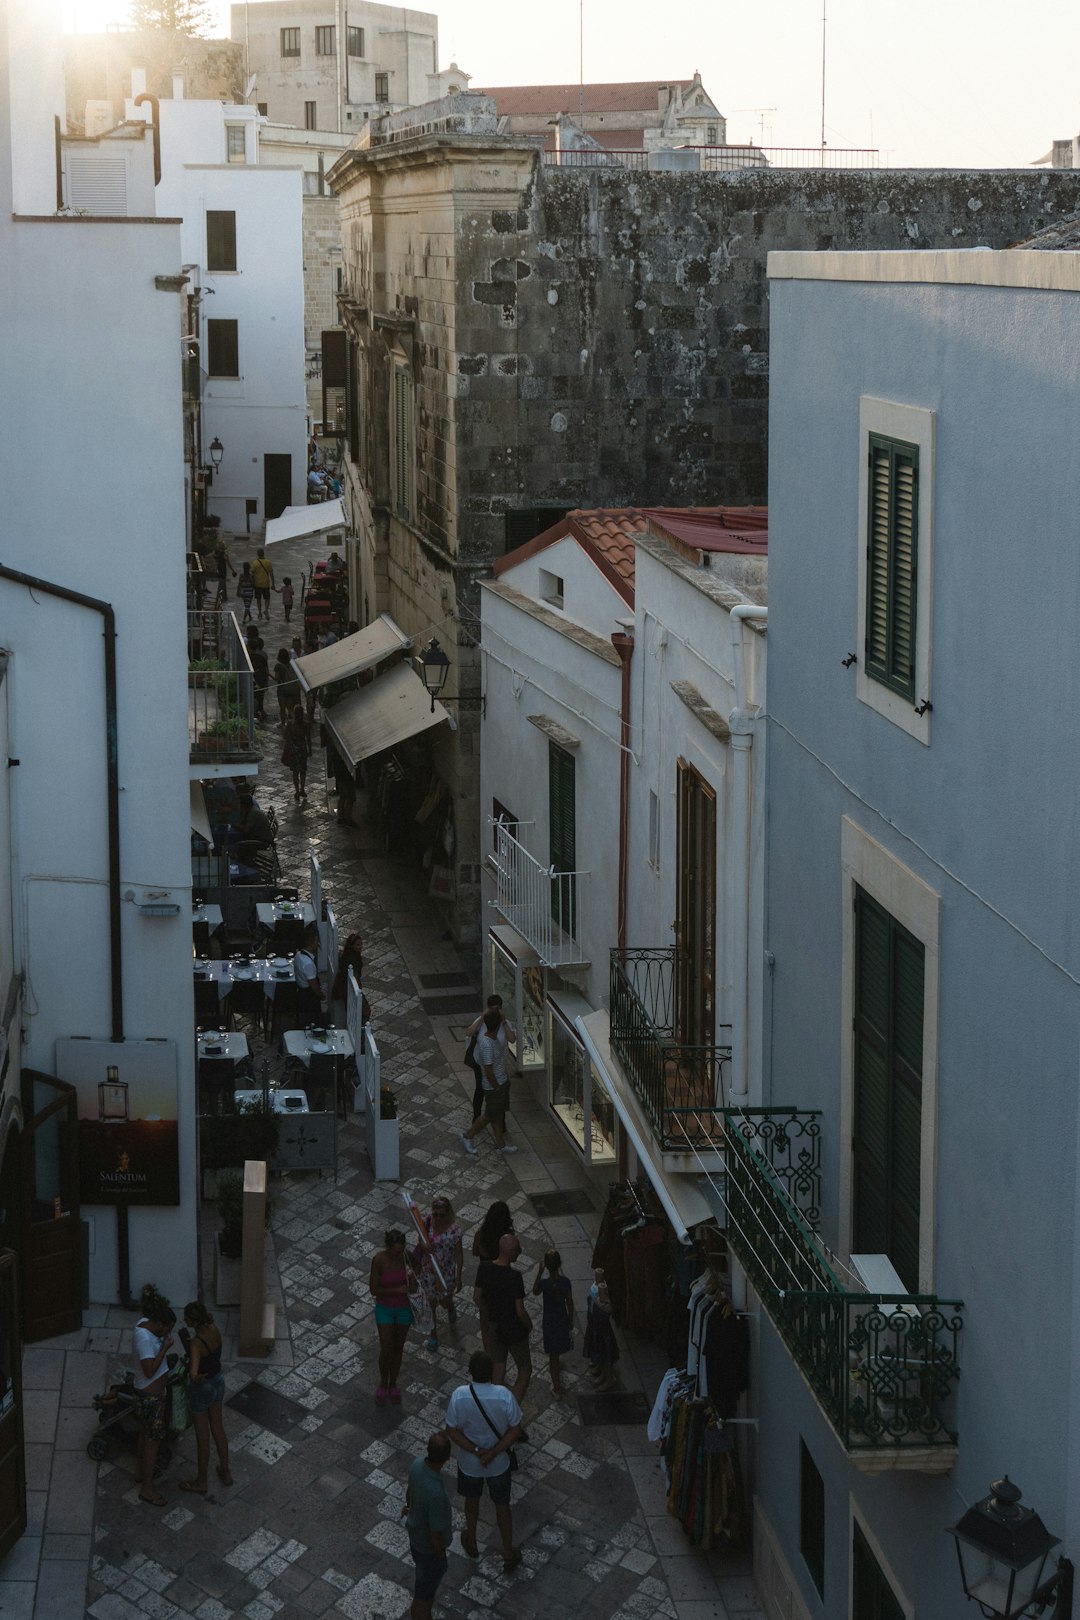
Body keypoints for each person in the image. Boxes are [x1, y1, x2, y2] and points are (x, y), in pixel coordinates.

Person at [444, 1350, 523, 1576]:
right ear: (491, 1372)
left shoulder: (460, 1396)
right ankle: (508, 1551)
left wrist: (477, 1451)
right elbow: (515, 1429)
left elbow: (451, 1430)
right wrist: (493, 1452)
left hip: (470, 1463)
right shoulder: (504, 1396)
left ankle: (472, 1540)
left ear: (470, 1372)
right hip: (498, 1464)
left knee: (472, 1501)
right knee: (502, 1506)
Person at [179, 1301, 231, 1494]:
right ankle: (225, 1470)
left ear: (195, 1320)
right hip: (218, 1381)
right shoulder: (215, 1329)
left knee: (203, 1437)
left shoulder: (195, 1344)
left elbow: (193, 1373)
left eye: (187, 1318)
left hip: (202, 1389)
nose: (185, 1320)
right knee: (218, 1427)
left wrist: (195, 1377)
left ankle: (201, 1481)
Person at [132, 1285, 176, 1507]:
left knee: (145, 1433)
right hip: (151, 1398)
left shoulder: (144, 1325)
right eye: (166, 1329)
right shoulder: (145, 1339)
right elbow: (149, 1370)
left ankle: (141, 1472)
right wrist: (164, 1349)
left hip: (150, 1395)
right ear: (158, 1324)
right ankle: (147, 1488)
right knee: (153, 1440)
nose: (167, 1334)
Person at [475, 1233, 531, 1404]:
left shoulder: (484, 1268)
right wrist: (528, 1326)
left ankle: (494, 1408)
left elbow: (477, 1297)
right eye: (518, 1250)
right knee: (525, 1369)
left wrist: (490, 1314)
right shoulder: (514, 1277)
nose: (519, 1253)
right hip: (514, 1329)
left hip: (495, 1327)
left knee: (498, 1367)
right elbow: (520, 1310)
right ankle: (511, 1408)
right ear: (511, 1252)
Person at [404, 1432, 453, 1620]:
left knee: (427, 1590)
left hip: (416, 1540)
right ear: (448, 1457)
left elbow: (410, 1492)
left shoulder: (417, 1465)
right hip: (428, 1551)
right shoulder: (436, 1494)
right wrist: (440, 1555)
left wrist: (409, 1507)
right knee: (422, 1596)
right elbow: (435, 1534)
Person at [460, 1009, 516, 1156]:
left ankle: (500, 1144)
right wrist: (497, 1087)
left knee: (496, 1114)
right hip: (494, 1086)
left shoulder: (492, 1039)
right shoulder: (486, 1044)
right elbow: (488, 1070)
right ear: (497, 1026)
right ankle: (468, 1136)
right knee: (489, 1115)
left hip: (500, 1082)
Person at [369, 1229, 416, 1405]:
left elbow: (418, 1267)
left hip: (404, 1308)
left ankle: (394, 1382)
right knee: (386, 1347)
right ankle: (383, 1382)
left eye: (402, 1249)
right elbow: (374, 1289)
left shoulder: (405, 1256)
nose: (399, 1254)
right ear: (388, 1248)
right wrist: (396, 1290)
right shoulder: (379, 1260)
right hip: (385, 1308)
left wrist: (413, 1280)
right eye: (397, 1250)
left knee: (398, 1347)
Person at [415, 1195, 464, 1352]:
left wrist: (459, 1276)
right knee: (431, 1305)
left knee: (444, 1301)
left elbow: (459, 1254)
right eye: (435, 1214)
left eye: (441, 1215)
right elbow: (420, 1239)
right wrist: (423, 1246)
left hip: (446, 1273)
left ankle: (450, 1308)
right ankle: (433, 1335)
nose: (437, 1218)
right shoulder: (428, 1221)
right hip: (428, 1272)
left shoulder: (454, 1231)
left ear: (448, 1214)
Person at [464, 995, 516, 1125]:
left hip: (499, 1065)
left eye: (497, 1009)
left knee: (500, 1095)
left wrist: (503, 1022)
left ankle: (501, 1122)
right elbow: (469, 1032)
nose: (494, 1011)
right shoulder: (482, 1022)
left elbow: (512, 1039)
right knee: (480, 1090)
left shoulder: (504, 1023)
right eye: (492, 1009)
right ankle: (477, 1118)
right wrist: (482, 1017)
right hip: (480, 1062)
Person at [471, 1201, 513, 1354]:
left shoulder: (481, 1234)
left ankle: (489, 1354)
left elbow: (475, 1252)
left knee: (485, 1322)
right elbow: (513, 1256)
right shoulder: (508, 1237)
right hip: (503, 1278)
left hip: (486, 1278)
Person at [532, 1249, 574, 1399]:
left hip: (549, 1320)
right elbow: (569, 1302)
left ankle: (557, 1387)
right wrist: (571, 1319)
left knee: (553, 1356)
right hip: (561, 1317)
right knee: (560, 1345)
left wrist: (538, 1272)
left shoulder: (544, 1284)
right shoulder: (565, 1282)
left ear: (547, 1267)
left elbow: (534, 1291)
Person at [583, 1267, 620, 1391]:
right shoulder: (595, 1290)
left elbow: (609, 1310)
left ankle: (608, 1378)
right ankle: (601, 1370)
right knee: (599, 1352)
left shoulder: (606, 1303)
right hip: (595, 1326)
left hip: (603, 1332)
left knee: (605, 1355)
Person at [330, 932, 363, 1027]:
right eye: (358, 944)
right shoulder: (352, 959)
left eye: (361, 944)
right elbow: (355, 976)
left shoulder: (348, 955)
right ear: (352, 946)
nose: (360, 946)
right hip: (346, 988)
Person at [293, 926, 324, 1025]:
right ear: (310, 944)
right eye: (315, 941)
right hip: (308, 997)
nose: (317, 943)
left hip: (301, 994)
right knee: (312, 1020)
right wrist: (321, 995)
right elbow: (314, 986)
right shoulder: (308, 964)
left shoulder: (298, 955)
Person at [282, 703, 309, 801]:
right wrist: (309, 750)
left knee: (296, 771)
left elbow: (285, 736)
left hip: (296, 750)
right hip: (301, 750)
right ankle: (300, 789)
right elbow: (308, 738)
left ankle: (298, 790)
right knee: (302, 771)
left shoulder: (290, 723)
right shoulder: (305, 724)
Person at [251, 548, 275, 621]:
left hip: (257, 584)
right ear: (263, 553)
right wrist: (273, 584)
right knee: (267, 598)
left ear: (257, 554)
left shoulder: (255, 562)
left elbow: (252, 574)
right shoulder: (268, 562)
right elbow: (271, 574)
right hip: (266, 584)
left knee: (258, 599)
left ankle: (259, 612)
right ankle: (266, 610)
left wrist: (252, 584)